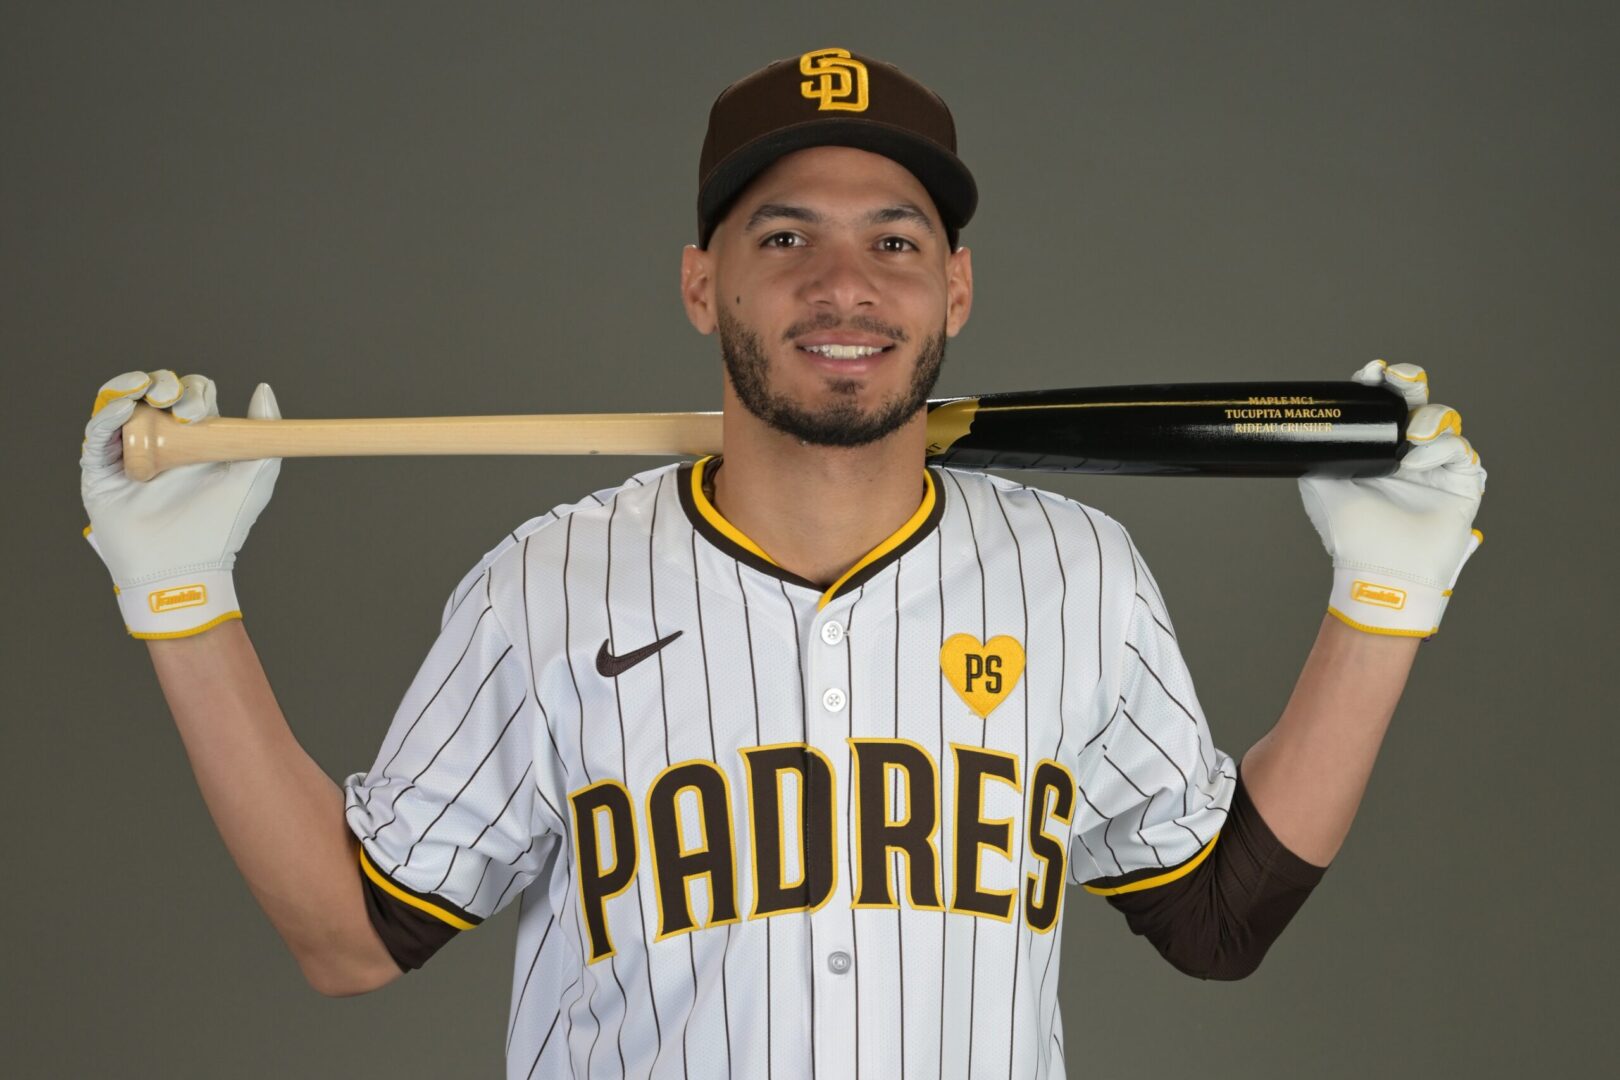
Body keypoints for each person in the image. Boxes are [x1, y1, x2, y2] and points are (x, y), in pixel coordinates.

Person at [78, 48, 1485, 1080]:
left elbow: (1220, 918)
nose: (843, 285)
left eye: (895, 240)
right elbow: (348, 937)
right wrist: (180, 597)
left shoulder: (1079, 575)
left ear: (954, 287)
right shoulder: (545, 586)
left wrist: (1385, 601)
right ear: (705, 283)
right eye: (786, 235)